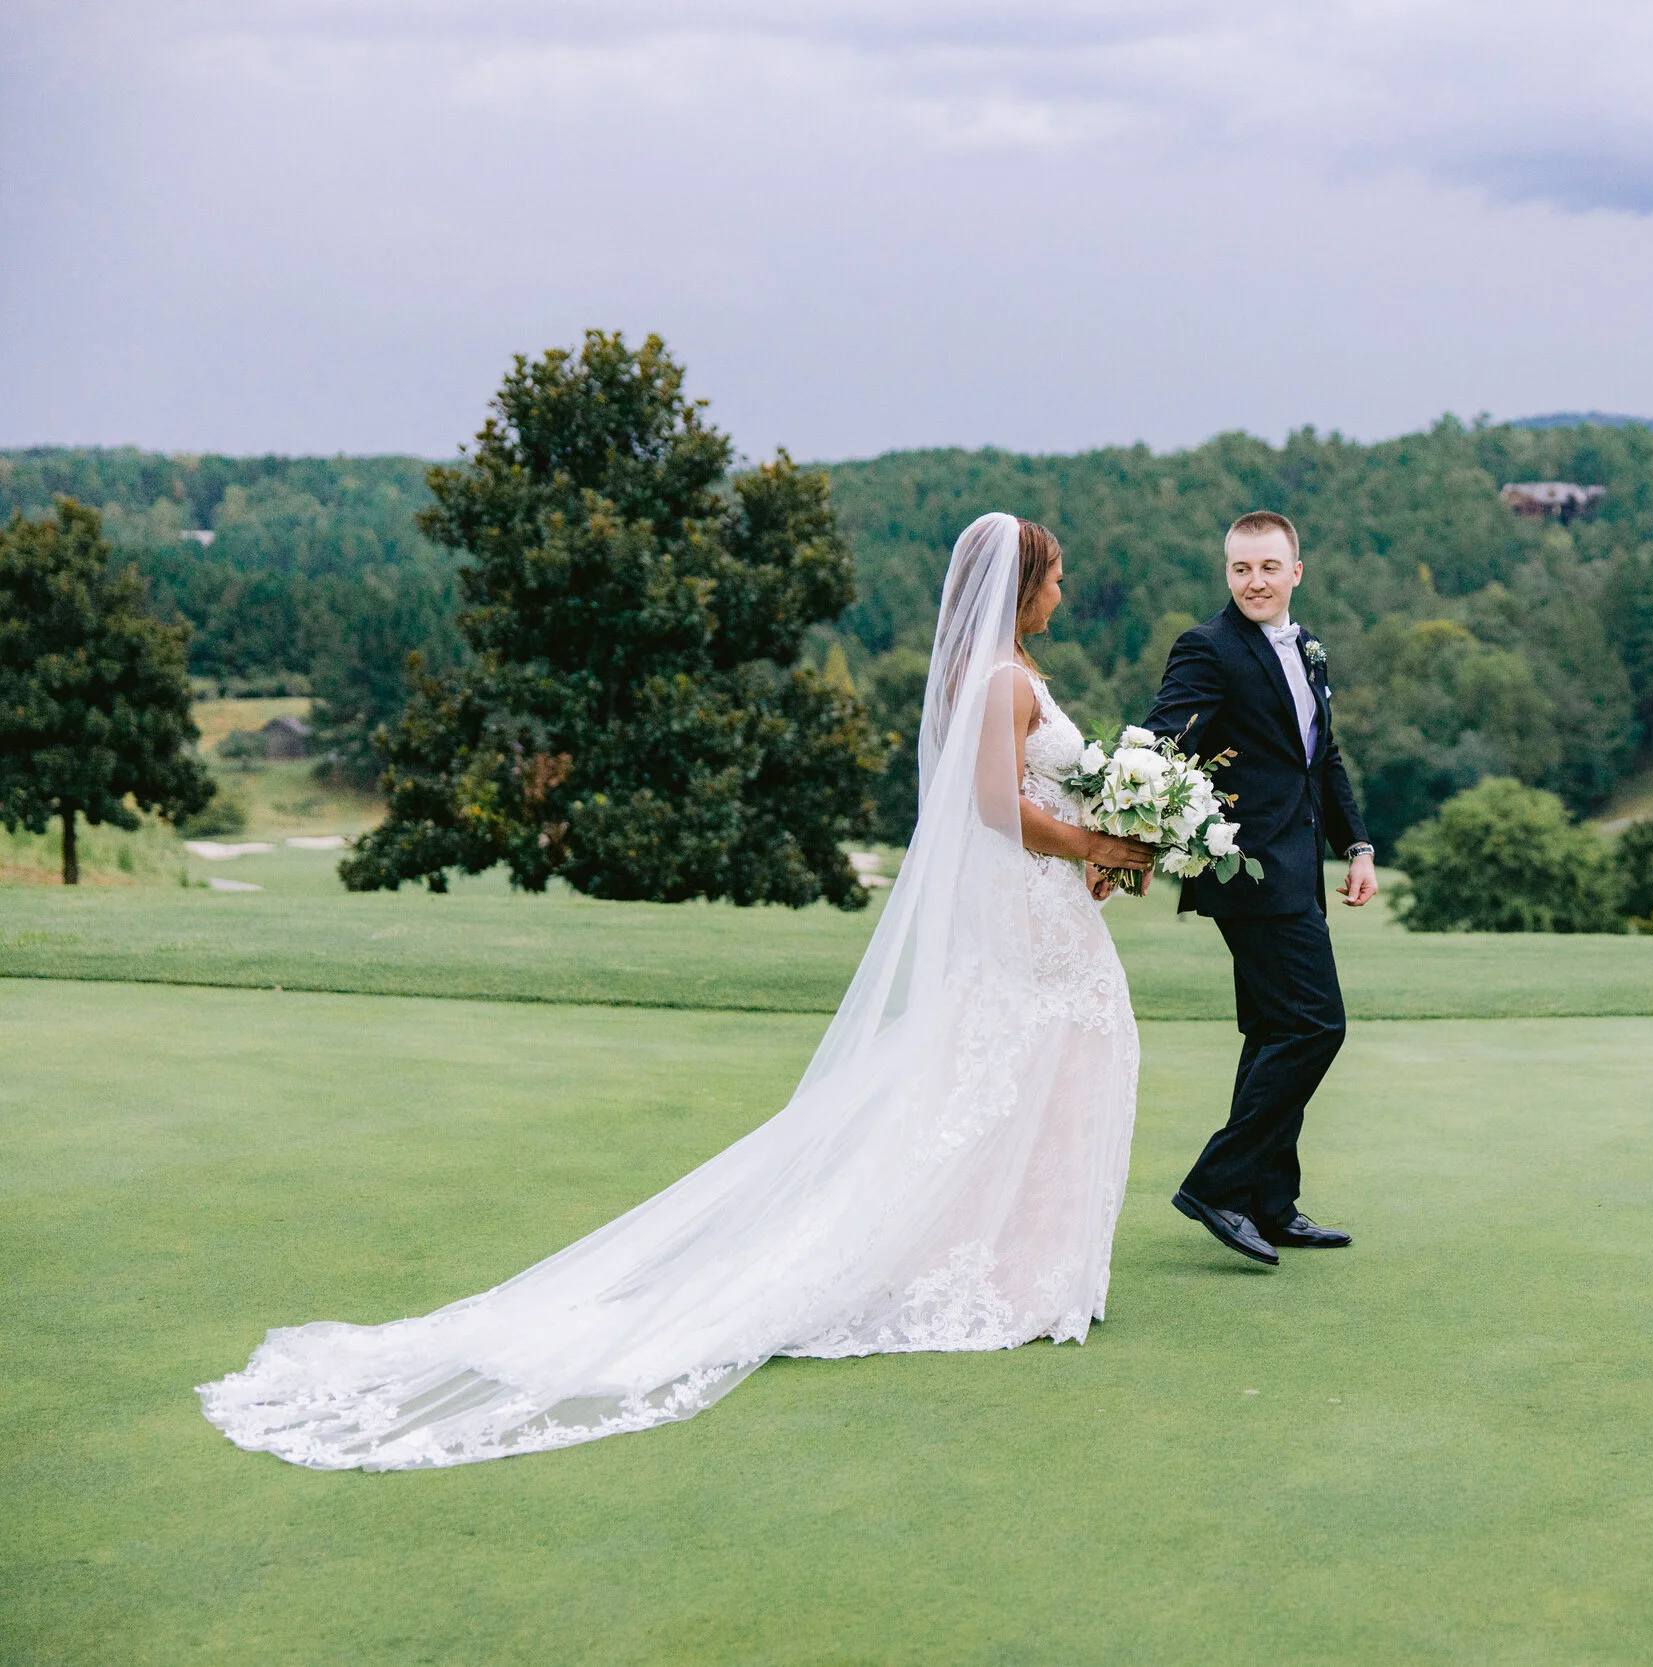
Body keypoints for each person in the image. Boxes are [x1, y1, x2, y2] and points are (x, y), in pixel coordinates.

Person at [197, 513, 1157, 1470]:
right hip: (1034, 921)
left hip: (1046, 909)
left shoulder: (1006, 674)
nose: (1063, 592)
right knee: (1024, 1068)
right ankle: (1010, 1274)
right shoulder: (999, 678)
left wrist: (1102, 850)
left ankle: (1024, 1264)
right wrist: (1097, 844)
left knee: (1036, 1074)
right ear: (1020, 582)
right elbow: (995, 807)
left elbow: (1035, 797)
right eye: (1057, 576)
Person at [1145, 510, 1375, 1267]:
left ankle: (1271, 1204)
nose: (1255, 581)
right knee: (1316, 1025)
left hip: (1299, 866)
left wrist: (1358, 845)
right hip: (1244, 871)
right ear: (1227, 574)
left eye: (1269, 567)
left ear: (1295, 572)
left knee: (1275, 1030)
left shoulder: (1304, 651)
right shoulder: (1207, 648)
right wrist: (1132, 824)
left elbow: (1322, 758)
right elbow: (1160, 741)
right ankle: (1220, 1182)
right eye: (1241, 569)